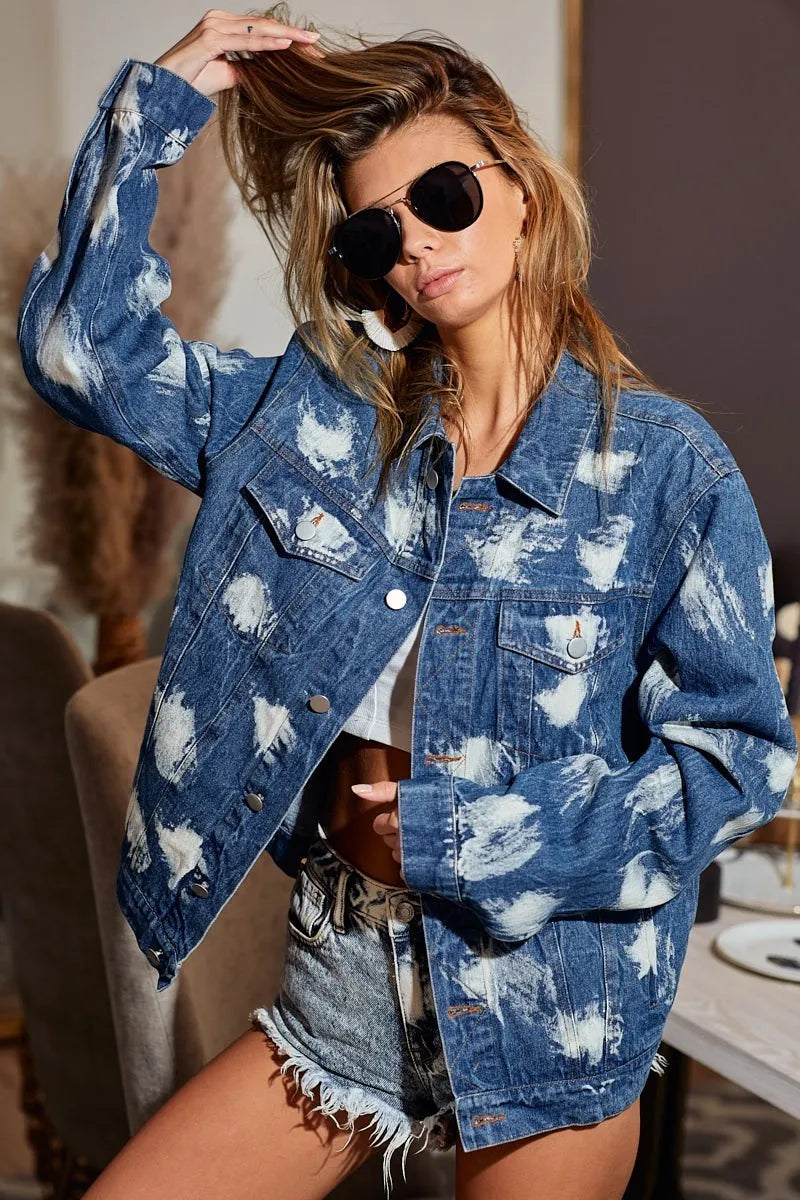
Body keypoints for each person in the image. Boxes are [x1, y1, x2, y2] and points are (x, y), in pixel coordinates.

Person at [16, 7, 797, 1200]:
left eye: (443, 195)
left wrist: (476, 839)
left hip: (550, 1007)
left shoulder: (662, 471)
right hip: (344, 978)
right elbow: (81, 349)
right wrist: (158, 100)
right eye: (376, 229)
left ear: (519, 186)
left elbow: (738, 762)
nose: (416, 244)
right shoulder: (312, 427)